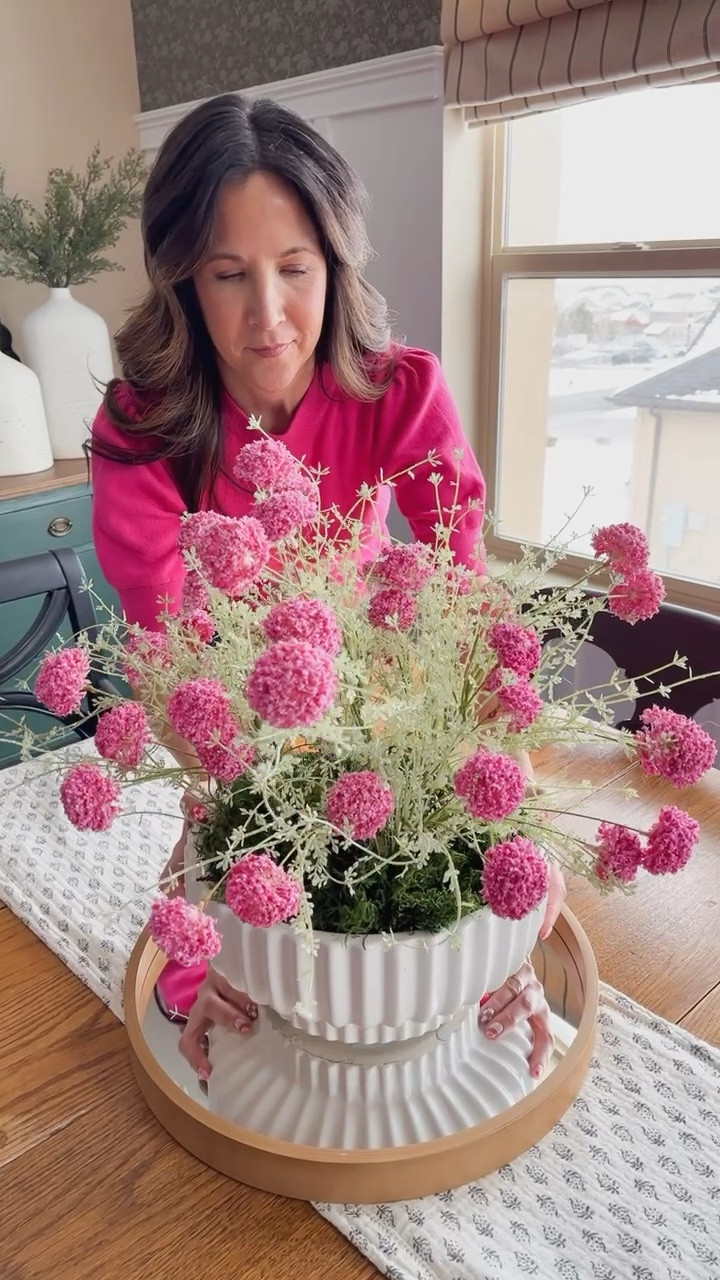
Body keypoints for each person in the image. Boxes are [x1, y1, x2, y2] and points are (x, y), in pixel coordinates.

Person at [90, 93, 565, 1086]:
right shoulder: (142, 429)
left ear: (337, 262)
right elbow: (176, 671)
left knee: (462, 953)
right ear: (182, 278)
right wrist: (214, 893)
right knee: (237, 1015)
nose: (269, 316)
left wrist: (506, 882)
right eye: (229, 275)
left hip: (391, 724)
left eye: (296, 269)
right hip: (239, 762)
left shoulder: (400, 393)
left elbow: (460, 617)